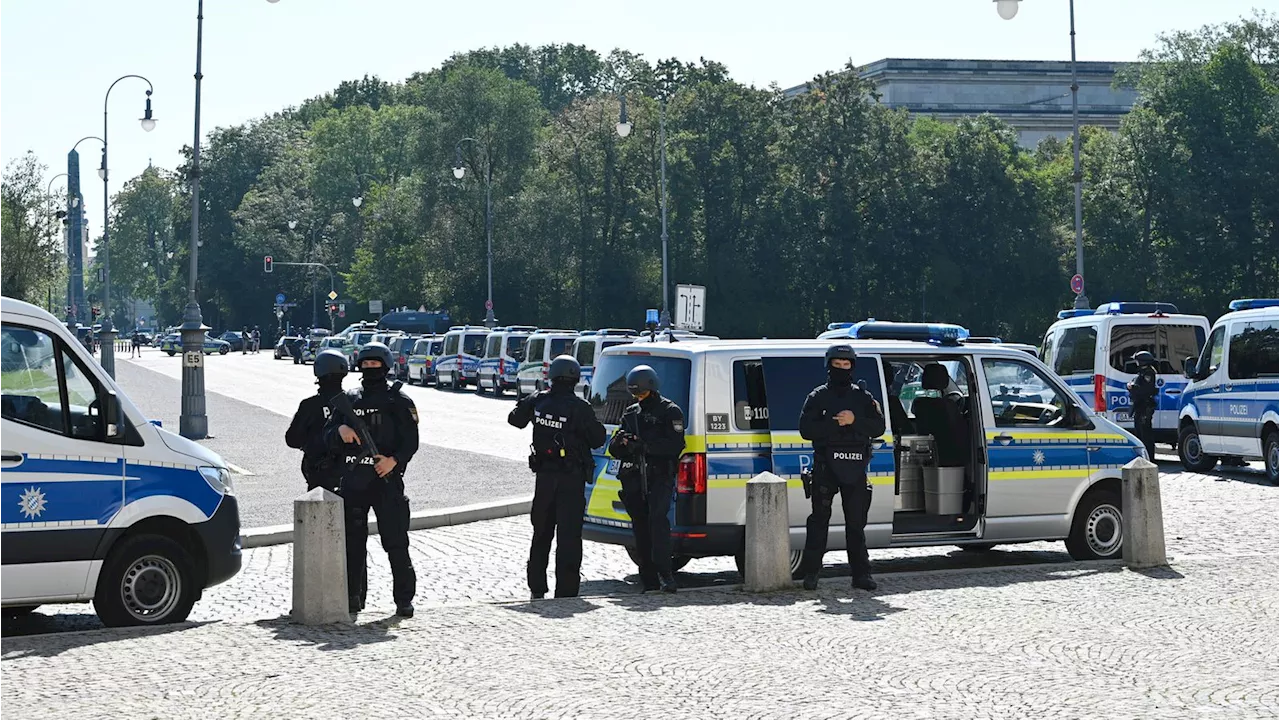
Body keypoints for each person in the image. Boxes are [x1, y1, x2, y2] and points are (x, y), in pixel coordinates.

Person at [325, 342, 420, 617]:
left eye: (374, 364)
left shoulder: (399, 401)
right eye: (365, 364)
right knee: (352, 545)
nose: (370, 369)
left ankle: (404, 599)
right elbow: (327, 436)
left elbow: (411, 442)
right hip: (355, 481)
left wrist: (394, 461)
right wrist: (340, 429)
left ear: (386, 366)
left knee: (396, 543)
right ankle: (352, 597)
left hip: (386, 480)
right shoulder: (349, 399)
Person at [508, 354, 607, 599]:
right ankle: (566, 589)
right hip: (571, 479)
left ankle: (537, 586)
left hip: (544, 477)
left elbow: (514, 419)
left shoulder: (538, 400)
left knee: (541, 533)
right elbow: (598, 438)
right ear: (575, 380)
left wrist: (534, 408)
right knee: (569, 536)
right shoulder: (579, 407)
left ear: (552, 376)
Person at [799, 344, 886, 592]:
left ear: (852, 367)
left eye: (845, 365)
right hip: (826, 465)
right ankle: (811, 574)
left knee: (856, 524)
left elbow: (878, 427)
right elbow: (806, 429)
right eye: (836, 365)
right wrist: (836, 423)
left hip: (856, 465)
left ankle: (862, 575)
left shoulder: (862, 397)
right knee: (819, 521)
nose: (841, 369)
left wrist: (855, 420)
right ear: (829, 366)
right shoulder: (818, 397)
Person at [607, 364, 686, 593]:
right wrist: (622, 443)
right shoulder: (631, 413)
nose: (639, 397)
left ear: (651, 388)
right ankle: (648, 579)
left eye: (641, 393)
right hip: (634, 478)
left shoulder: (670, 411)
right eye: (635, 394)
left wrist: (645, 447)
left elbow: (674, 445)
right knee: (640, 528)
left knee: (658, 522)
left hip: (659, 476)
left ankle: (665, 574)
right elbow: (615, 448)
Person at [285, 349, 347, 493]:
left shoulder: (310, 405)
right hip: (350, 472)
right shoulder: (354, 401)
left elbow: (292, 439)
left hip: (318, 470)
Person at [1127, 350, 1158, 459]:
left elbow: (1145, 390)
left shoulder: (1148, 373)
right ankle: (1143, 457)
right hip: (1140, 406)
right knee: (1140, 433)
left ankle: (1148, 457)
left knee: (1145, 434)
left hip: (1144, 407)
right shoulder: (1142, 372)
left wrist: (1132, 387)